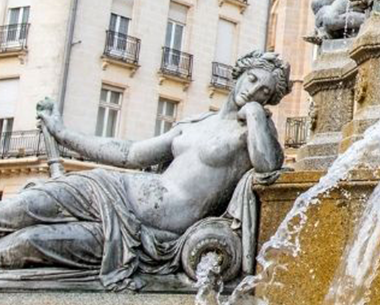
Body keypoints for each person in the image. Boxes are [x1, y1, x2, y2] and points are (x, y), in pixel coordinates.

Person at [0, 51, 291, 290]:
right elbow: (130, 154)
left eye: (264, 91)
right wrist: (63, 134)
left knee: (24, 244)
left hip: (141, 232)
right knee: (17, 209)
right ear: (238, 75)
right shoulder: (195, 124)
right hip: (110, 188)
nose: (253, 90)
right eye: (252, 79)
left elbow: (268, 167)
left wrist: (254, 115)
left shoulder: (252, 133)